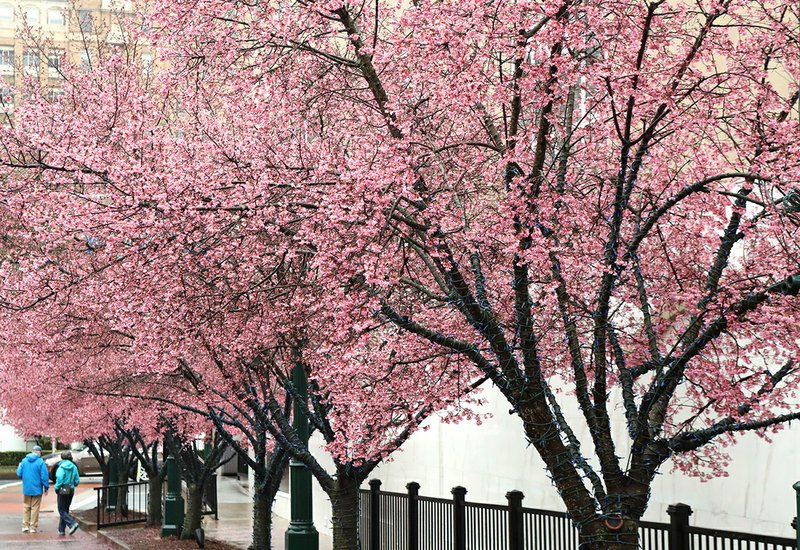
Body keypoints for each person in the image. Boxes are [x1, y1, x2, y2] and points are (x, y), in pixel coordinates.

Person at [16, 445, 49, 533]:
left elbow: (19, 473)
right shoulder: (40, 462)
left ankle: (25, 526)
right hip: (37, 489)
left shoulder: (24, 461)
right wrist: (46, 487)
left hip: (27, 488)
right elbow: (44, 476)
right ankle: (33, 527)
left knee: (26, 506)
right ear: (39, 452)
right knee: (35, 507)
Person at [54, 451, 81, 535]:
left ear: (62, 458)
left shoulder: (61, 467)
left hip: (62, 490)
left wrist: (56, 487)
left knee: (61, 510)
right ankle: (61, 530)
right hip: (71, 489)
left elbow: (59, 478)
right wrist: (73, 485)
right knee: (65, 510)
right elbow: (77, 480)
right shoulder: (74, 467)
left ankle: (72, 523)